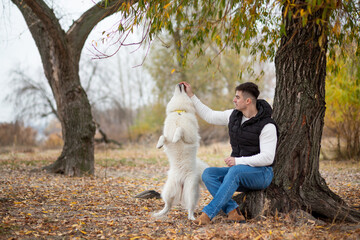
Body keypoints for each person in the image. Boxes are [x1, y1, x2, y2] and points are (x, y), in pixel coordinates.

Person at [181, 81, 278, 225]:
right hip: (239, 173)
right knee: (208, 174)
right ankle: (233, 212)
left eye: (237, 97)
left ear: (248, 101)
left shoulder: (267, 126)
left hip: (262, 174)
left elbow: (268, 158)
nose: (234, 100)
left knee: (236, 171)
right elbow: (210, 115)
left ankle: (208, 214)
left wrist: (238, 161)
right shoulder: (234, 116)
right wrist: (191, 95)